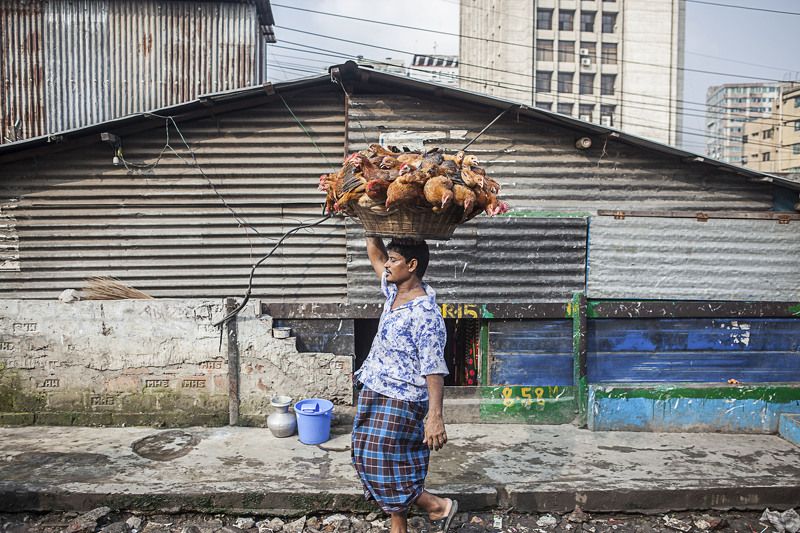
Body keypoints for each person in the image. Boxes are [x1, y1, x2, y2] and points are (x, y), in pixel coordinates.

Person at [351, 236, 458, 533]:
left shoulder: (425, 313)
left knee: (380, 461)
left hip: (402, 398)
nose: (386, 265)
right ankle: (402, 524)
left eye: (394, 260)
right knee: (373, 456)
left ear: (411, 266)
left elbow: (434, 368)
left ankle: (435, 504)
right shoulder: (393, 291)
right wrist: (369, 221)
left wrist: (435, 416)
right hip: (375, 387)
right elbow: (375, 253)